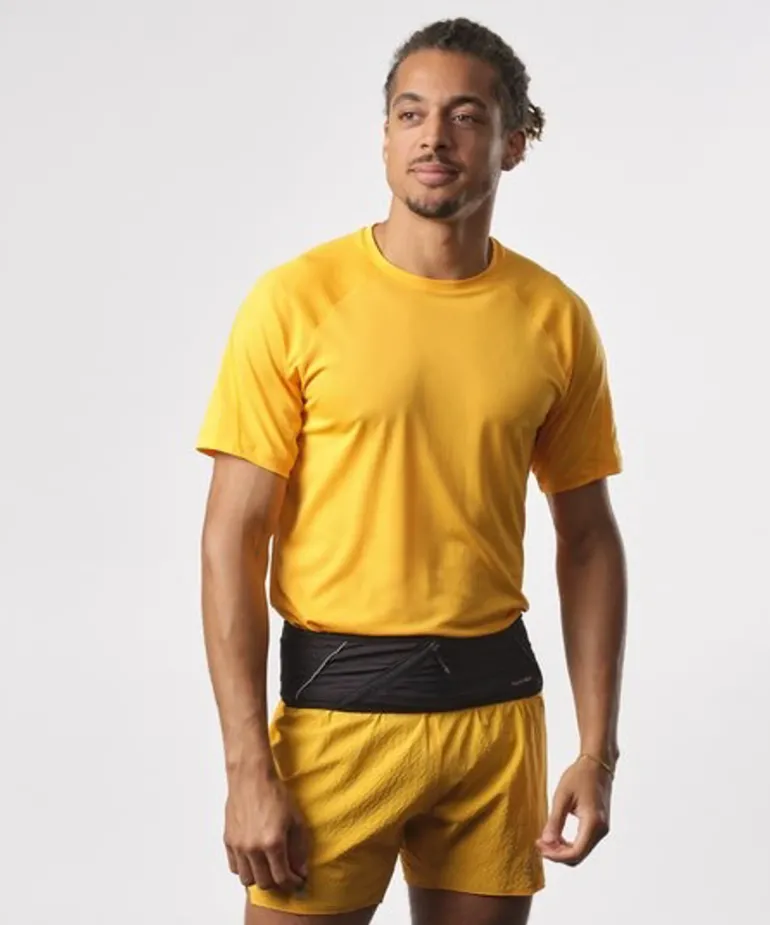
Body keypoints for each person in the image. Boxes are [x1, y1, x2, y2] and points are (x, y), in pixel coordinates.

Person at [196, 16, 627, 925]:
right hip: (336, 722)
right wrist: (245, 768)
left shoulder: (555, 317)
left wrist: (597, 750)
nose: (434, 137)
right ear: (386, 135)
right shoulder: (295, 301)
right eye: (411, 113)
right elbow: (231, 538)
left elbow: (588, 539)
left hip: (496, 723)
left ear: (514, 142)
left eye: (465, 116)